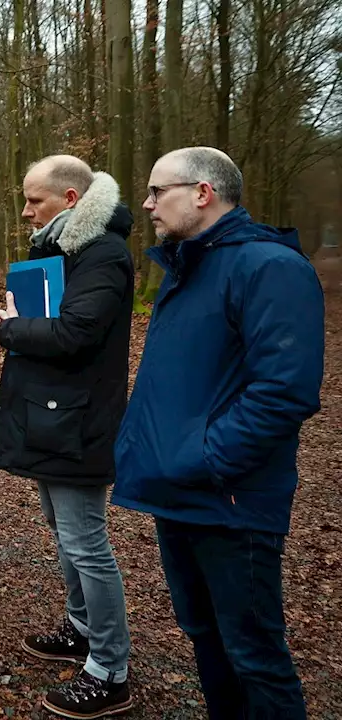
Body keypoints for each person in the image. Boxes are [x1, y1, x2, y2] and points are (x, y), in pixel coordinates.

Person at [112, 147, 324, 720]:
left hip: (231, 499)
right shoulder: (187, 267)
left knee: (254, 652)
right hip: (181, 493)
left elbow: (285, 390)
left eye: (160, 192)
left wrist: (206, 458)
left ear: (202, 193)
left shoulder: (269, 267)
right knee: (205, 636)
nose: (149, 205)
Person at [0, 156, 135, 718]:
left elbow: (75, 331)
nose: (24, 211)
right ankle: (82, 629)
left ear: (70, 200)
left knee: (87, 543)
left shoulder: (104, 255)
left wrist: (4, 327)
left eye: (34, 200)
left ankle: (110, 668)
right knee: (64, 532)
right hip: (53, 414)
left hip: (79, 422)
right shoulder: (65, 250)